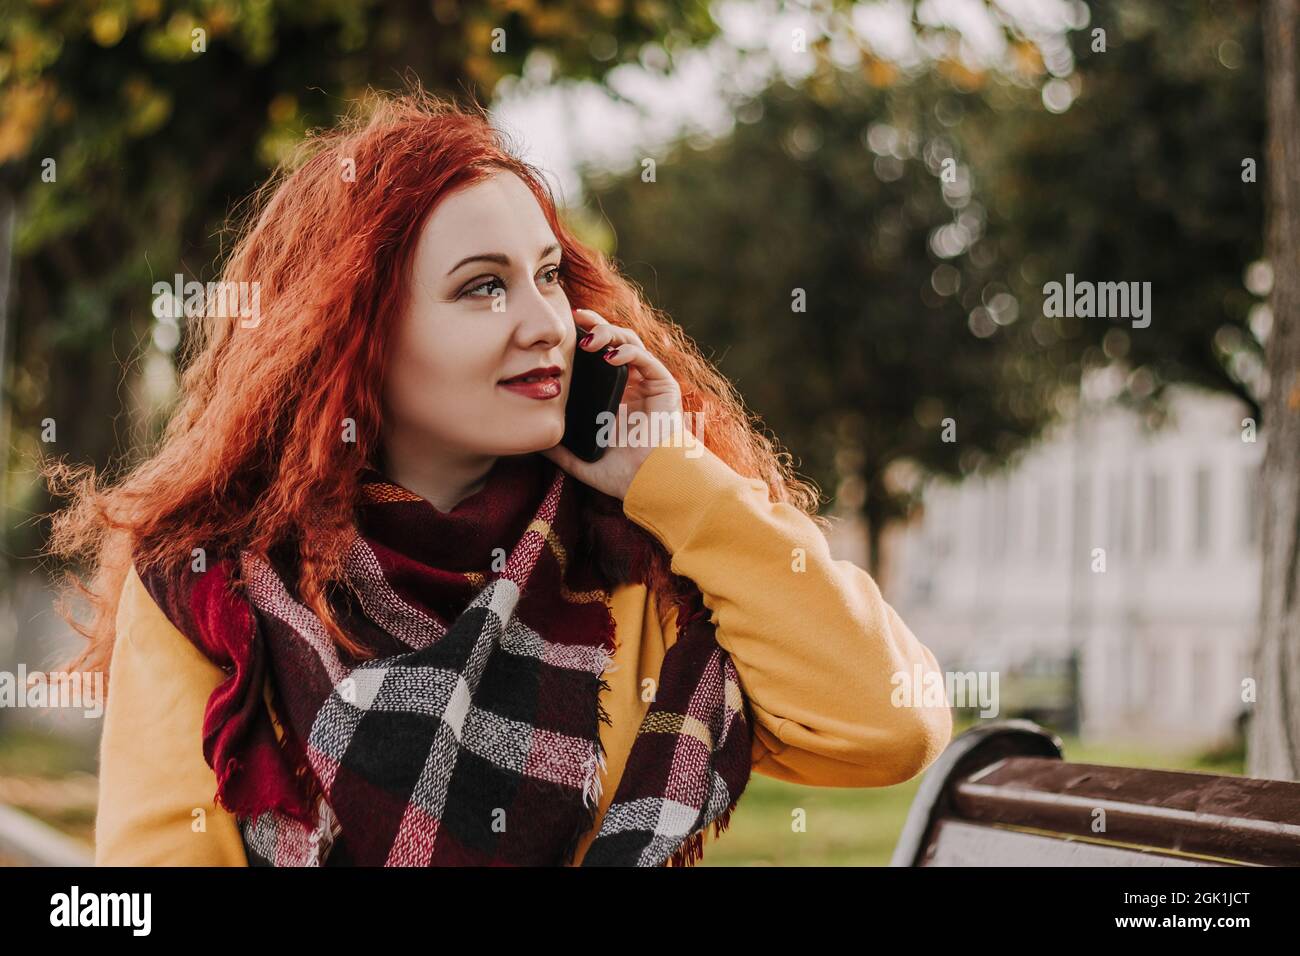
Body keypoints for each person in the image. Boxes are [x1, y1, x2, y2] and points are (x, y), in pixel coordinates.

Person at [44, 89, 952, 867]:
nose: (546, 323)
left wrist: (674, 476)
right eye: (483, 286)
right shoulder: (212, 587)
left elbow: (889, 725)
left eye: (548, 275)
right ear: (354, 334)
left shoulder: (630, 557)